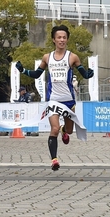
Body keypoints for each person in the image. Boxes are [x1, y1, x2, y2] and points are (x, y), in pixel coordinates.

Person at [15, 25, 93, 171]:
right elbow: (36, 74)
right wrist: (23, 70)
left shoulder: (73, 57)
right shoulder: (47, 57)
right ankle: (54, 160)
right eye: (59, 37)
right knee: (54, 129)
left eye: (64, 37)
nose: (61, 40)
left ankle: (65, 131)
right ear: (54, 39)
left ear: (67, 39)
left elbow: (84, 73)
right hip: (53, 100)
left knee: (69, 131)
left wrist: (89, 74)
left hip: (68, 101)